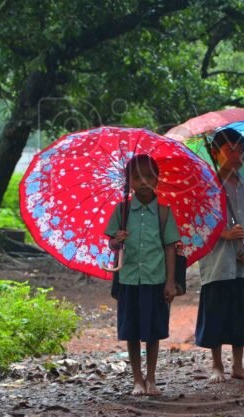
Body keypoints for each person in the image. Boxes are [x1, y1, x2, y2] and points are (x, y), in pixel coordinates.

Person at [195, 128, 244, 383]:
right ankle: (217, 365)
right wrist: (224, 234)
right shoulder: (208, 187)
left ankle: (238, 365)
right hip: (218, 263)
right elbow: (200, 223)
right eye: (230, 150)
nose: (237, 155)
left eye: (241, 151)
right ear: (215, 154)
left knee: (241, 313)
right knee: (218, 313)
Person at [104, 154, 179, 395]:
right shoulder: (122, 211)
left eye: (149, 176)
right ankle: (137, 379)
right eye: (137, 177)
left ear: (157, 179)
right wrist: (117, 240)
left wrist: (170, 282)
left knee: (153, 331)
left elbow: (170, 248)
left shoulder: (164, 212)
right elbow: (112, 246)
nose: (144, 181)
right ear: (128, 181)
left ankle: (152, 378)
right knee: (132, 331)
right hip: (128, 280)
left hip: (155, 280)